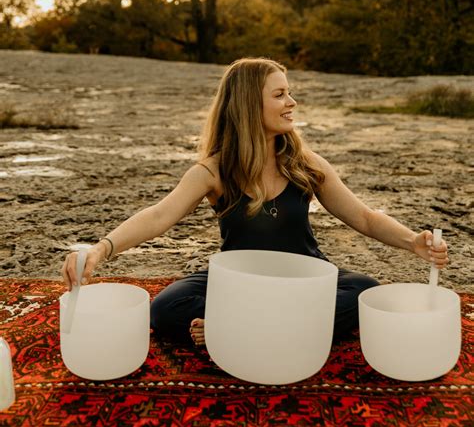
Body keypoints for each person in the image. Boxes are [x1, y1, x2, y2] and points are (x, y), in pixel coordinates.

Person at [62, 57, 449, 348]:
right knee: (166, 308)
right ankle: (277, 329)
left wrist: (412, 241)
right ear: (250, 104)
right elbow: (160, 215)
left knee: (364, 290)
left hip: (304, 282)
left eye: (289, 92)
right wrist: (102, 248)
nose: (291, 102)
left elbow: (363, 217)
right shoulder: (213, 171)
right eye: (280, 94)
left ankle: (237, 330)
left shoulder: (306, 164)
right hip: (238, 284)